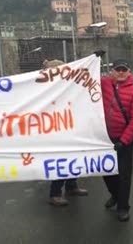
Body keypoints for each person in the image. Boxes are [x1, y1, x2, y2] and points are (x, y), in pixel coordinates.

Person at [101, 62, 133, 222]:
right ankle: (115, 195)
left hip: (125, 140)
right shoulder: (104, 83)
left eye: (123, 70)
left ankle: (123, 207)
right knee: (105, 172)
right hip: (105, 138)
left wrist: (124, 141)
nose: (120, 72)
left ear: (128, 71)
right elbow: (85, 76)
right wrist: (95, 58)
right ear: (111, 71)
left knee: (124, 175)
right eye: (117, 70)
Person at [44, 59, 89, 206]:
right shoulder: (44, 87)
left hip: (70, 126)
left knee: (73, 158)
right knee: (61, 161)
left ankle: (71, 185)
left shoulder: (67, 84)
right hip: (55, 128)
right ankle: (55, 193)